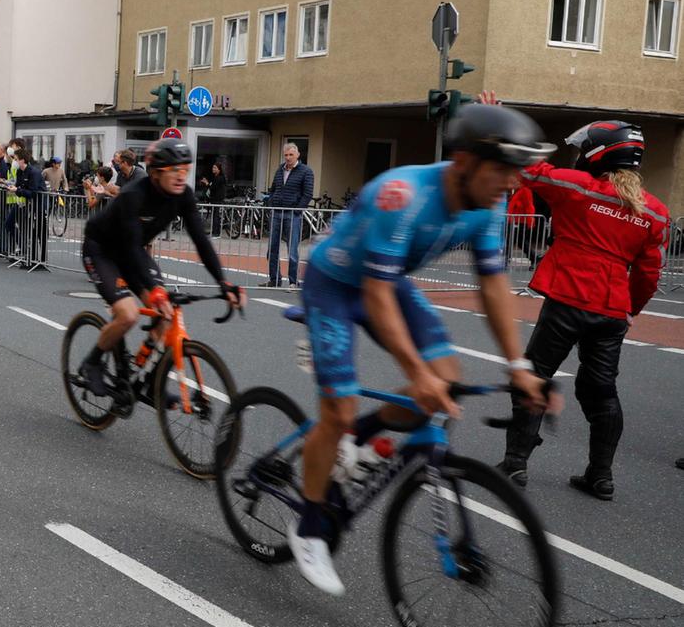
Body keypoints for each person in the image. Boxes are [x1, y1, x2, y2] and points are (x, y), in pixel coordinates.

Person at [289, 105, 552, 597]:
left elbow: (493, 283)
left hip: (387, 283)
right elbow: (375, 293)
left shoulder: (488, 205)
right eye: (503, 168)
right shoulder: (404, 194)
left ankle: (360, 438)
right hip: (336, 284)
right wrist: (416, 370)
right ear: (464, 162)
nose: (513, 183)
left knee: (445, 376)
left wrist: (519, 365)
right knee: (339, 406)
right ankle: (307, 528)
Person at [498, 120, 670, 500]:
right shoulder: (654, 211)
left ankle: (515, 464)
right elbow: (648, 273)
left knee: (535, 375)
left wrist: (502, 126)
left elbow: (530, 171)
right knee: (601, 391)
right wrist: (630, 312)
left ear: (598, 154)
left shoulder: (579, 187)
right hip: (611, 310)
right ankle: (601, 476)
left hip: (567, 297)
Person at [78, 137, 243, 396]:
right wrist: (154, 290)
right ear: (155, 173)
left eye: (185, 170)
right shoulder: (134, 195)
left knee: (167, 314)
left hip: (132, 252)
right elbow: (132, 247)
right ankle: (92, 362)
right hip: (102, 251)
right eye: (174, 171)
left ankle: (149, 380)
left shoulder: (183, 195)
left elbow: (201, 240)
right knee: (129, 314)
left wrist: (224, 282)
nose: (181, 177)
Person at [267, 143, 313, 288]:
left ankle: (293, 282)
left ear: (298, 155)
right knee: (272, 248)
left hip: (293, 215)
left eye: (291, 155)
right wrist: (271, 204)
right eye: (286, 155)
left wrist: (297, 210)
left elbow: (307, 194)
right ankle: (274, 280)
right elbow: (273, 189)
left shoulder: (306, 171)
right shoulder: (280, 170)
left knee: (292, 250)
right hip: (277, 213)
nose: (288, 158)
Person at [199, 159, 228, 236]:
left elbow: (213, 187)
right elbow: (212, 186)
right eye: (213, 168)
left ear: (219, 169)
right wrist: (207, 183)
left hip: (217, 199)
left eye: (215, 168)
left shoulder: (220, 178)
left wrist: (207, 183)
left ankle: (216, 233)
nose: (213, 169)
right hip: (214, 199)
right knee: (215, 215)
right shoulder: (216, 177)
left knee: (216, 216)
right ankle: (215, 231)